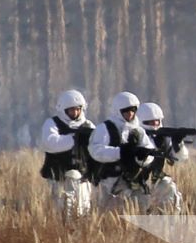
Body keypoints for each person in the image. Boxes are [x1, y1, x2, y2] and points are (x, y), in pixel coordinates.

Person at [88, 90, 157, 212]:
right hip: (108, 182)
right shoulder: (105, 128)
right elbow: (96, 150)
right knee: (108, 215)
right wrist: (119, 153)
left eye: (133, 110)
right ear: (118, 111)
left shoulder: (138, 130)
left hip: (132, 181)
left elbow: (149, 151)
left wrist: (142, 157)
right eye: (126, 111)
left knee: (139, 210)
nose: (130, 114)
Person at [39, 88, 96, 217]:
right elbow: (50, 143)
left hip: (82, 177)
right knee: (62, 211)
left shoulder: (88, 125)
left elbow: (96, 147)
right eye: (71, 110)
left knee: (83, 209)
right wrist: (75, 138)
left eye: (78, 109)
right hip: (59, 177)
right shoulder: (52, 123)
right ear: (63, 110)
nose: (75, 112)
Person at [138, 101, 188, 212]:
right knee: (139, 209)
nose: (155, 124)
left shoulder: (163, 138)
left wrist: (178, 144)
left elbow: (179, 159)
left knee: (170, 191)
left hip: (155, 179)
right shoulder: (136, 136)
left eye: (157, 121)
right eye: (151, 122)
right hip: (136, 181)